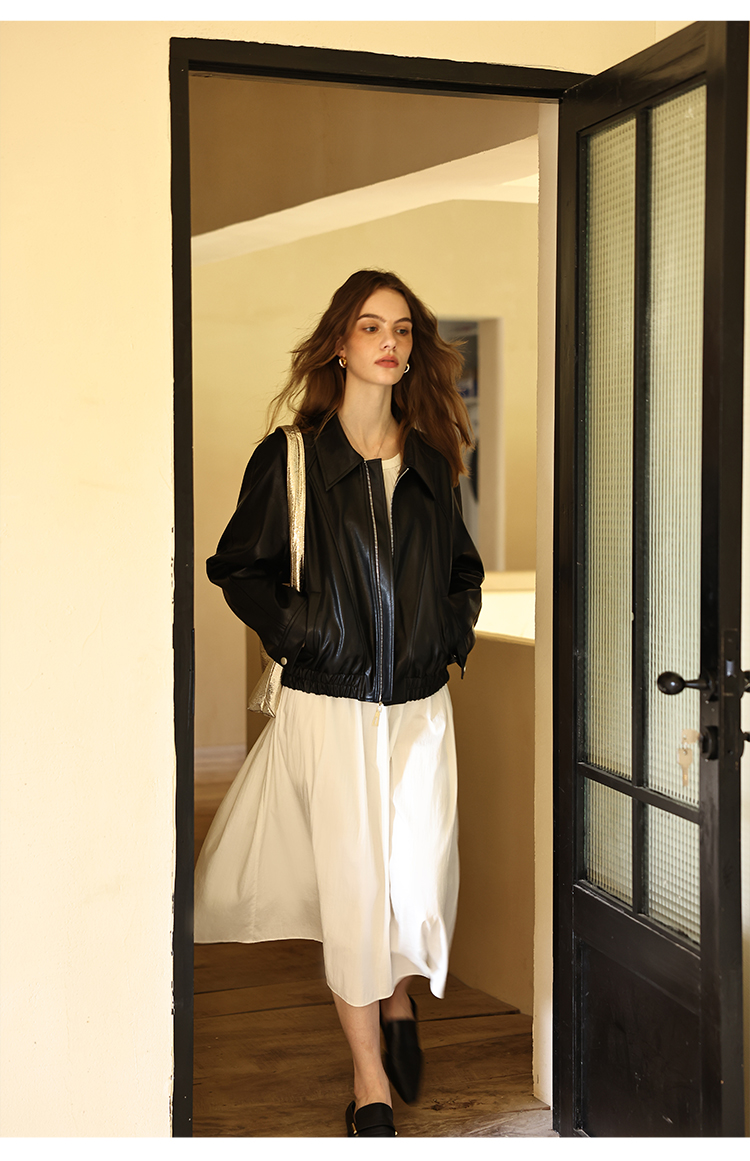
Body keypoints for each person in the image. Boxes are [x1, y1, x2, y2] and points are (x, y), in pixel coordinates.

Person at [194, 269, 484, 1138]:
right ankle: (369, 1082)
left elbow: (461, 571)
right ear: (340, 345)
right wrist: (303, 631)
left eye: (402, 329)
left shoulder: (431, 460)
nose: (389, 341)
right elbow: (236, 568)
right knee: (355, 888)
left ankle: (397, 996)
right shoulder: (292, 457)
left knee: (417, 877)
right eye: (370, 326)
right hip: (332, 705)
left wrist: (448, 631)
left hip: (419, 706)